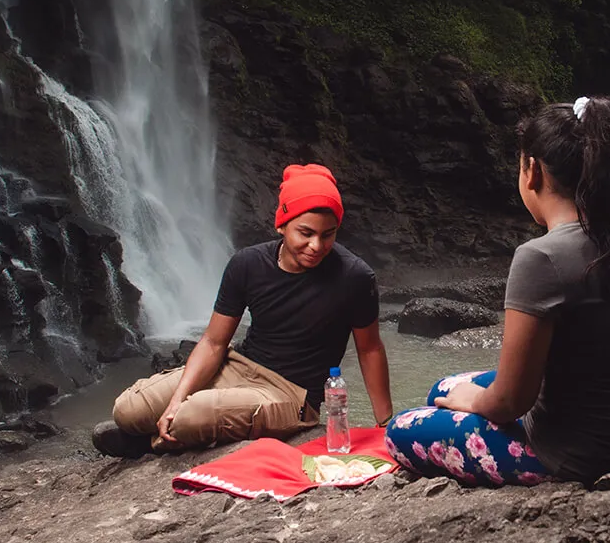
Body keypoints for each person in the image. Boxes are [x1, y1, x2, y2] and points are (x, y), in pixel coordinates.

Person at [385, 96, 610, 487]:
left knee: (401, 429)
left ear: (531, 170)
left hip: (570, 460)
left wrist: (474, 403)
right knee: (445, 387)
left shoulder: (540, 258)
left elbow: (509, 403)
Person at [92, 163, 394, 458]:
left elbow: (369, 350)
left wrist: (385, 426)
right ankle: (154, 430)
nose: (316, 245)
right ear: (281, 224)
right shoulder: (247, 264)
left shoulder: (354, 277)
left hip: (291, 395)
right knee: (127, 409)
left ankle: (146, 445)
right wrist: (176, 399)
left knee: (189, 417)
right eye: (305, 233)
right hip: (236, 366)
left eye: (328, 234)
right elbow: (214, 342)